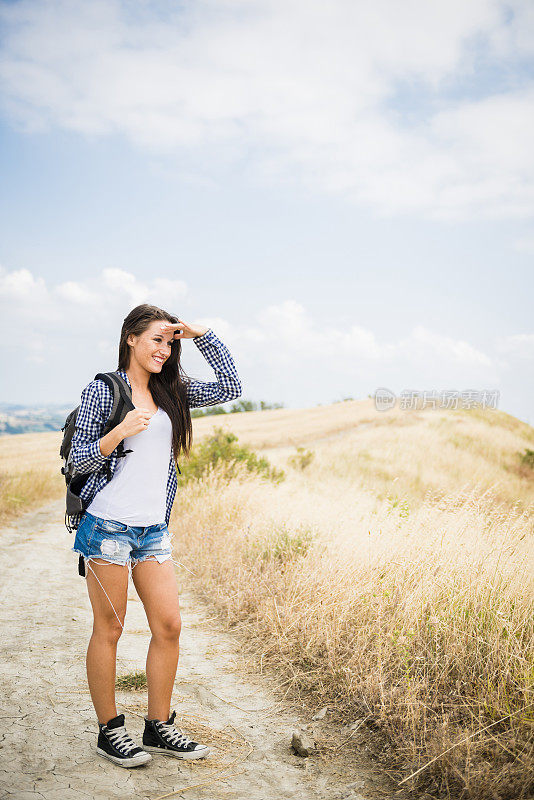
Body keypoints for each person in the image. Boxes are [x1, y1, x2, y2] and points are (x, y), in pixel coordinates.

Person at [70, 303, 242, 768]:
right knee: (111, 628)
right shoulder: (105, 390)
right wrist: (117, 433)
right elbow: (78, 461)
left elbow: (232, 386)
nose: (164, 350)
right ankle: (110, 731)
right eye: (156, 340)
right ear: (130, 338)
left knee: (169, 626)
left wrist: (201, 334)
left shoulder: (173, 392)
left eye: (170, 343)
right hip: (107, 526)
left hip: (152, 530)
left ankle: (158, 726)